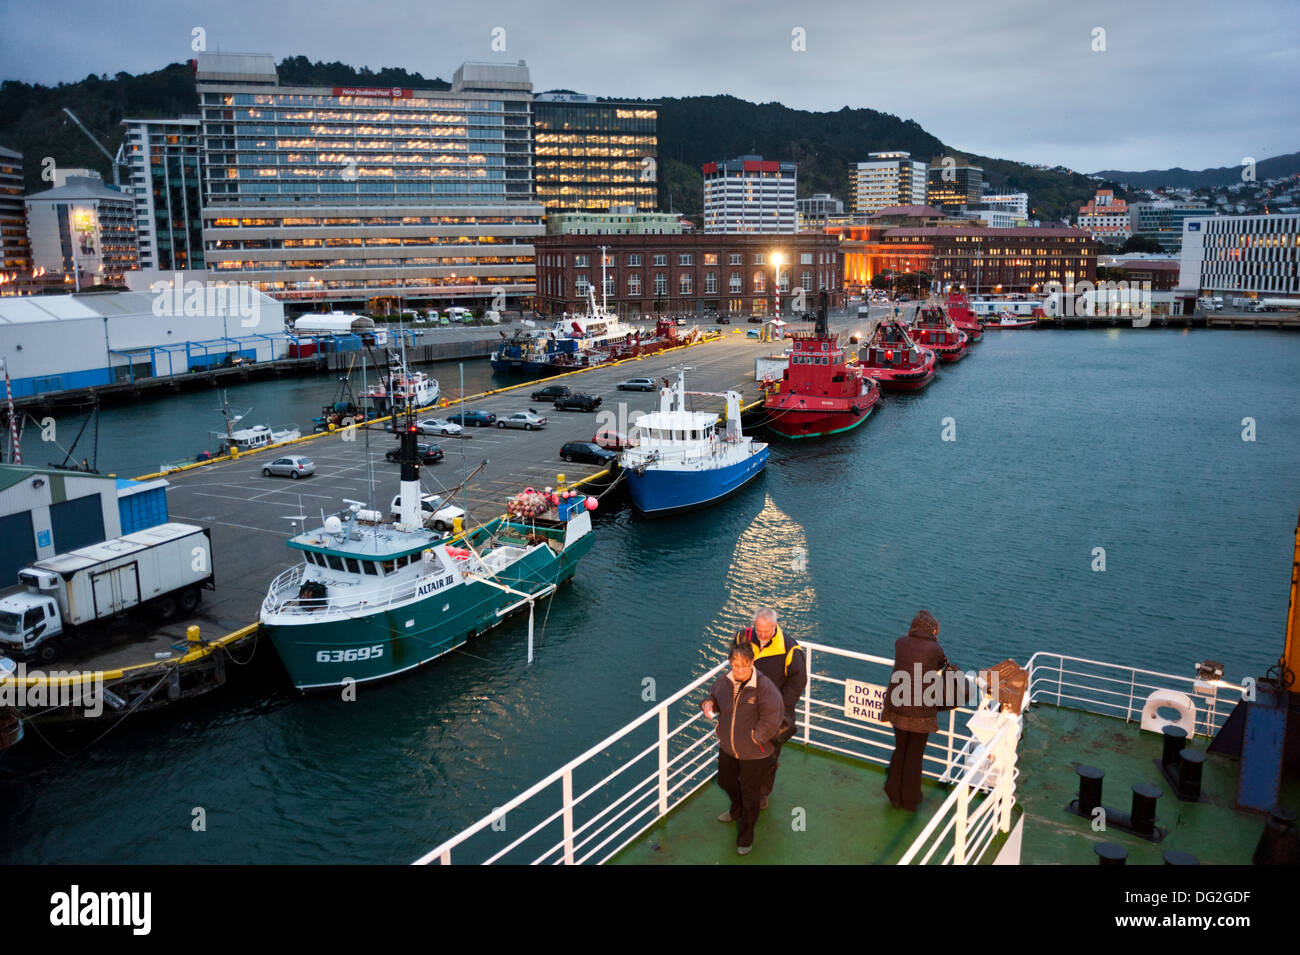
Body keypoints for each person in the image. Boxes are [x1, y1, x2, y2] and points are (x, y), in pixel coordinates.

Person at [702, 641, 783, 856]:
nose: (739, 670)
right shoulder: (725, 682)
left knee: (751, 795)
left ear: (752, 663)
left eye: (743, 665)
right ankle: (736, 809)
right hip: (729, 746)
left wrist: (755, 738)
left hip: (755, 753)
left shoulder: (764, 687)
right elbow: (714, 698)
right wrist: (707, 704)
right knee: (724, 781)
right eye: (735, 665)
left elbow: (773, 716)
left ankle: (746, 837)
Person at [880, 610, 952, 812]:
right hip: (921, 713)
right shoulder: (935, 649)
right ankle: (910, 799)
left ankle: (893, 793)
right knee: (914, 755)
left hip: (897, 708)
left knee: (900, 749)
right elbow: (940, 664)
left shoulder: (900, 642)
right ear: (933, 630)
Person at [738, 608, 806, 809]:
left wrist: (779, 708)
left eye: (766, 631)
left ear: (775, 627)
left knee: (769, 755)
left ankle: (762, 796)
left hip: (776, 713)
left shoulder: (790, 648)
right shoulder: (744, 637)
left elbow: (798, 681)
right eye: (759, 630)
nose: (762, 635)